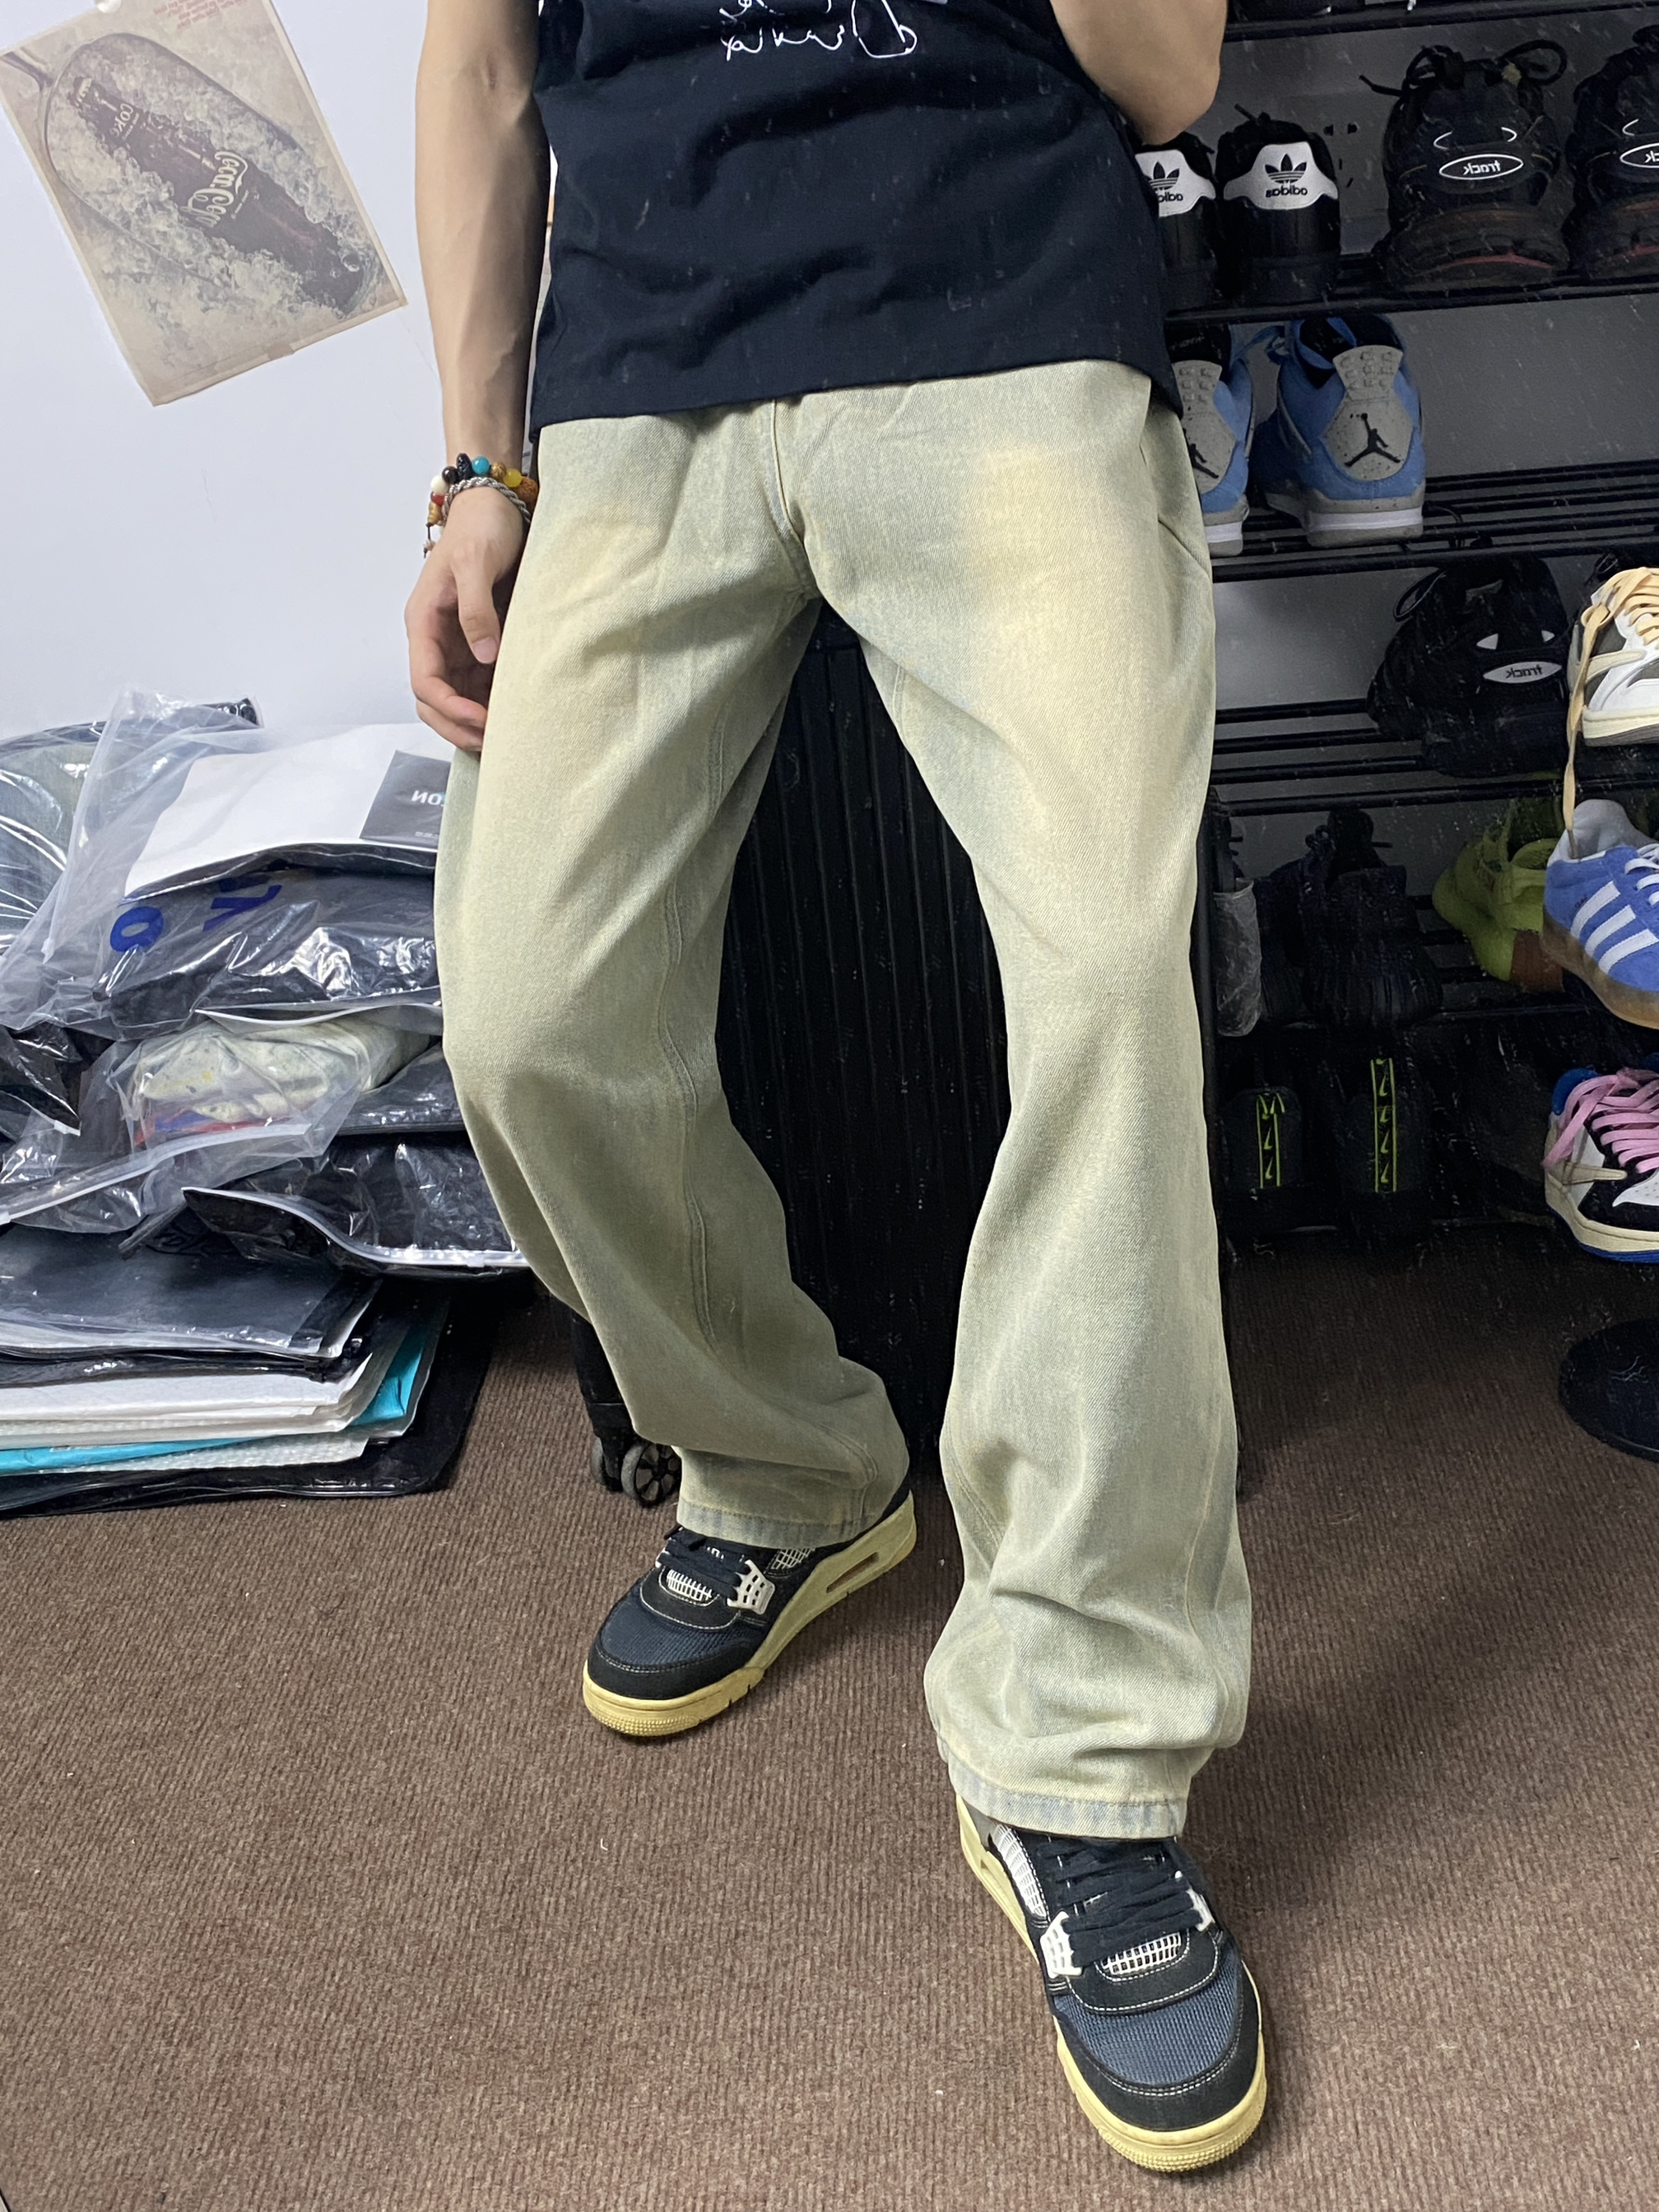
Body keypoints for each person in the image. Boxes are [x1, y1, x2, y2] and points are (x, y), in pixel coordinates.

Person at [407, 0, 1259, 2172]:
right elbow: (482, 67)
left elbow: (1169, 79)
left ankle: (1080, 1743)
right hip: (643, 383)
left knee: (1107, 977)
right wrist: (478, 467)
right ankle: (790, 1466)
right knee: (526, 1018)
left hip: (1000, 325)